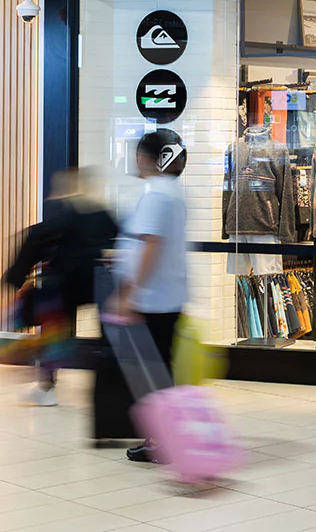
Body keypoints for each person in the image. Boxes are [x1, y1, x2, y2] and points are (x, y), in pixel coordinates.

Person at [4, 168, 118, 406]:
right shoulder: (104, 214)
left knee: (54, 331)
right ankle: (110, 389)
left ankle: (46, 389)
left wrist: (14, 276)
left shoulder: (67, 210)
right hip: (99, 281)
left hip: (66, 283)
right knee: (108, 335)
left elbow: (35, 239)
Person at [113, 131, 190, 463]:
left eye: (140, 155)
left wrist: (128, 294)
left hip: (154, 297)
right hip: (168, 294)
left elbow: (150, 246)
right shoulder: (172, 193)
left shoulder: (157, 195)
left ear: (152, 159)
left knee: (154, 372)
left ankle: (162, 440)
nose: (137, 161)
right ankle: (164, 437)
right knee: (159, 369)